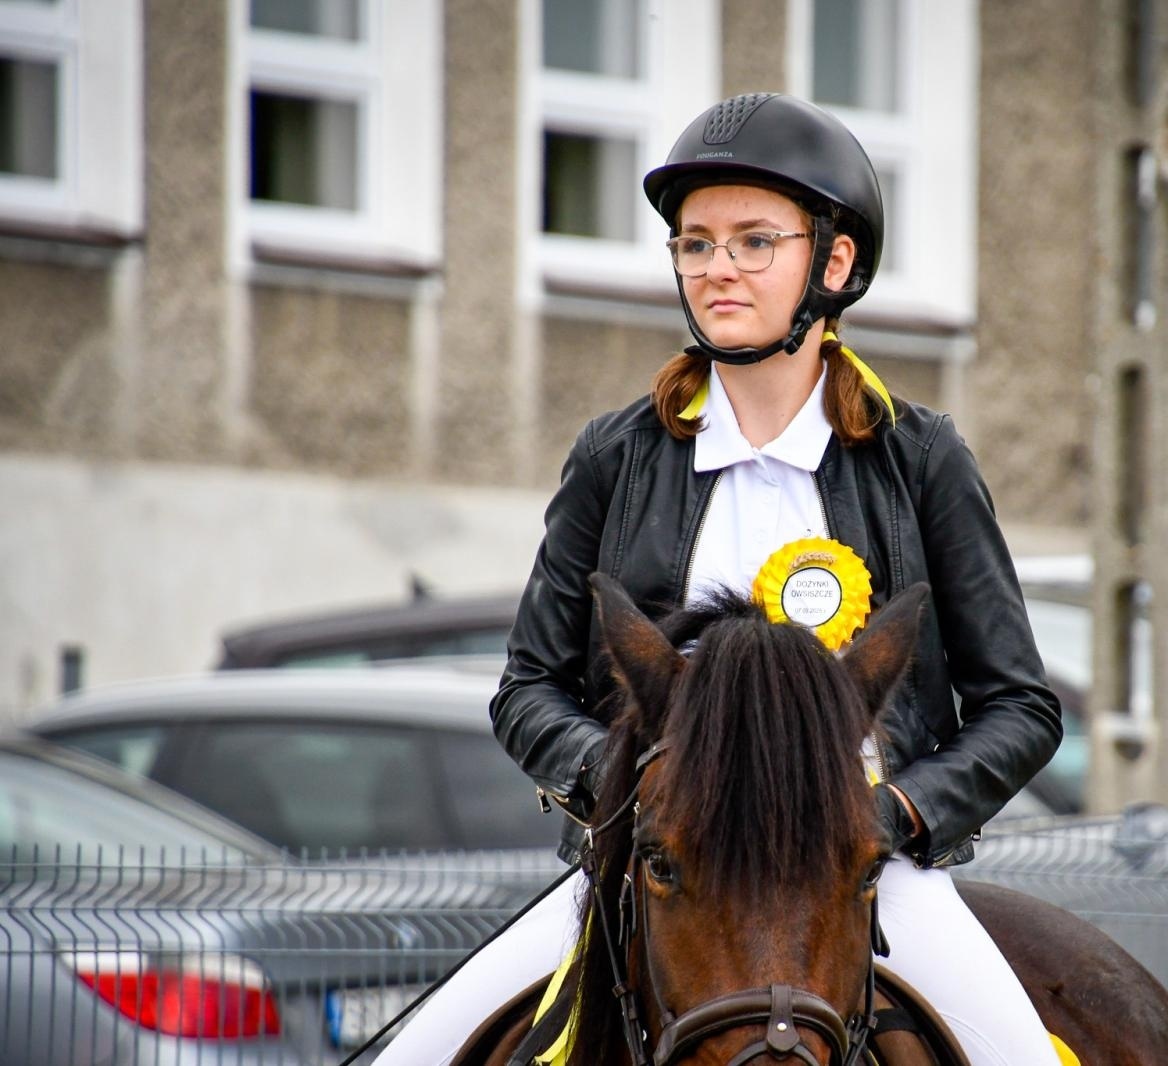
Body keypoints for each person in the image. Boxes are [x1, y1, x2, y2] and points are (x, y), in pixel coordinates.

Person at [376, 91, 1063, 1066]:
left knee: (1020, 1058)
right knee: (416, 1053)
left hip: (863, 871)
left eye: (751, 241)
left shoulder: (923, 460)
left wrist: (896, 815)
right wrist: (632, 790)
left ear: (831, 262)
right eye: (694, 244)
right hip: (660, 870)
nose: (716, 270)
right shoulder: (616, 454)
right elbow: (527, 688)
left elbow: (1019, 706)